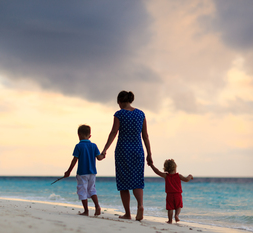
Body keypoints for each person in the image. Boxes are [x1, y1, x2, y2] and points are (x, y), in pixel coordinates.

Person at [101, 91, 153, 221]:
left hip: (123, 150)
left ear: (119, 101)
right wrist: (149, 154)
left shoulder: (119, 114)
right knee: (137, 180)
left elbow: (113, 132)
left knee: (124, 182)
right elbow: (145, 135)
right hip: (138, 150)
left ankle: (128, 213)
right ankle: (140, 205)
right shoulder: (141, 114)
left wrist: (105, 149)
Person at [64, 124, 105, 216]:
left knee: (82, 190)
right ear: (90, 136)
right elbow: (99, 158)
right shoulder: (94, 146)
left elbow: (74, 160)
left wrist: (68, 171)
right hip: (92, 173)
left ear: (79, 135)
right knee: (92, 189)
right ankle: (97, 206)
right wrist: (103, 155)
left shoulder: (78, 146)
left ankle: (86, 211)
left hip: (82, 173)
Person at [150, 159, 193, 224]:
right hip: (177, 194)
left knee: (170, 208)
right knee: (178, 206)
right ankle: (176, 215)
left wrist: (151, 165)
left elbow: (157, 172)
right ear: (175, 167)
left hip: (169, 195)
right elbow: (186, 179)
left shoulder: (166, 176)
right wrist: (190, 176)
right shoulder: (178, 176)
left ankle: (170, 220)